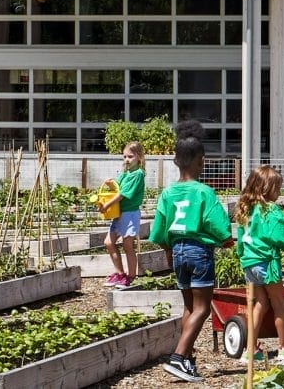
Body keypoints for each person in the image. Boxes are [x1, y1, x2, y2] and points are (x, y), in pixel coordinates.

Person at [150, 120, 232, 383]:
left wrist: (168, 250)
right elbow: (218, 224)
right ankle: (177, 356)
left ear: (176, 161)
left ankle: (186, 360)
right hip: (198, 251)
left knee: (189, 307)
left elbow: (159, 230)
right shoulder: (204, 192)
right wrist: (228, 240)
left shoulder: (168, 192)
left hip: (177, 251)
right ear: (201, 160)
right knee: (203, 309)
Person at [235, 165, 284, 366]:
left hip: (250, 263)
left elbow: (240, 239)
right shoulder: (270, 211)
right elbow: (281, 234)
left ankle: (250, 349)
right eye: (277, 189)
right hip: (267, 262)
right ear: (266, 189)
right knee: (279, 304)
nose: (279, 193)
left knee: (259, 304)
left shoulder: (246, 209)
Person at [99, 140, 147, 288]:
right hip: (120, 213)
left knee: (127, 245)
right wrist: (110, 184)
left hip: (130, 214)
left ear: (139, 157)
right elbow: (118, 187)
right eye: (125, 156)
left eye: (130, 156)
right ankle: (120, 273)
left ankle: (130, 277)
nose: (127, 159)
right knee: (109, 242)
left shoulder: (137, 174)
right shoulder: (126, 173)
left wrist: (107, 204)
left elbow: (122, 194)